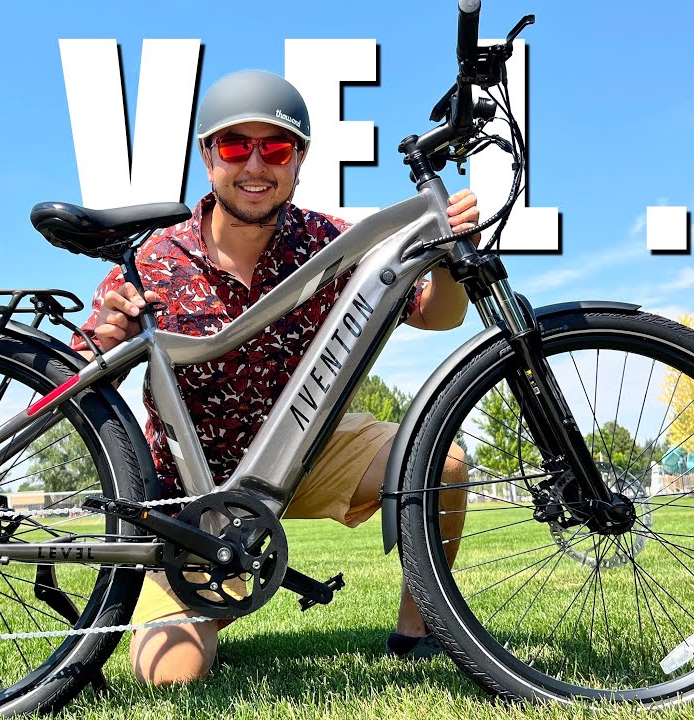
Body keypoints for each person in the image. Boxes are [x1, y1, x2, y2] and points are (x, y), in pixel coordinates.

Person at [72, 70, 477, 685]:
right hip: (195, 493)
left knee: (440, 461)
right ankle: (203, 601)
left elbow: (434, 314)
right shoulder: (155, 259)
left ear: (299, 161)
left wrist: (450, 258)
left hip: (313, 452)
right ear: (209, 158)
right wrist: (106, 334)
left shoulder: (328, 242)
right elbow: (79, 366)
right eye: (235, 146)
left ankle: (419, 631)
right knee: (172, 675)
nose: (254, 164)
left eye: (276, 148)